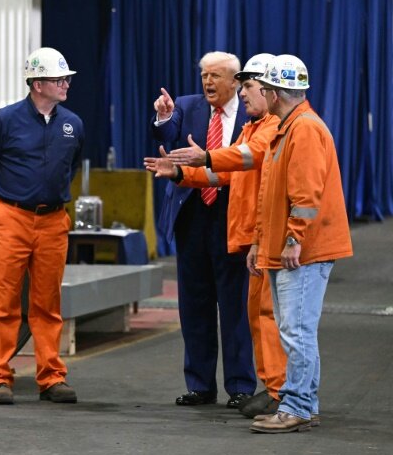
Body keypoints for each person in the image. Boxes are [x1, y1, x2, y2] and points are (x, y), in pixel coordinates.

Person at [145, 54, 287, 418]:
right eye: (204, 75)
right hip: (193, 216)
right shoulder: (188, 105)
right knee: (194, 304)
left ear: (237, 82)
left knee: (237, 304)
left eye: (216, 76)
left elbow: (238, 161)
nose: (208, 82)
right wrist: (165, 124)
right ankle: (199, 384)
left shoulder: (258, 119)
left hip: (233, 217)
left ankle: (240, 386)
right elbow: (166, 137)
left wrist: (205, 158)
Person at [247, 54, 353, 433]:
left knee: (296, 331)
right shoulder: (289, 128)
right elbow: (271, 194)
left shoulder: (303, 129)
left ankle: (297, 407)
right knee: (294, 330)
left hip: (303, 251)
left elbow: (306, 194)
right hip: (289, 248)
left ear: (274, 93)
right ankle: (303, 405)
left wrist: (294, 239)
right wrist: (260, 241)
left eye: (264, 89)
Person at [0, 47, 84, 405]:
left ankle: (51, 377)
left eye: (66, 79)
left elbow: (72, 167)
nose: (66, 84)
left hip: (53, 220)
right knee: (2, 301)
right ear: (37, 84)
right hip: (11, 217)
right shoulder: (3, 121)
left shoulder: (73, 124)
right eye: (59, 79)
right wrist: (4, 204)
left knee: (48, 302)